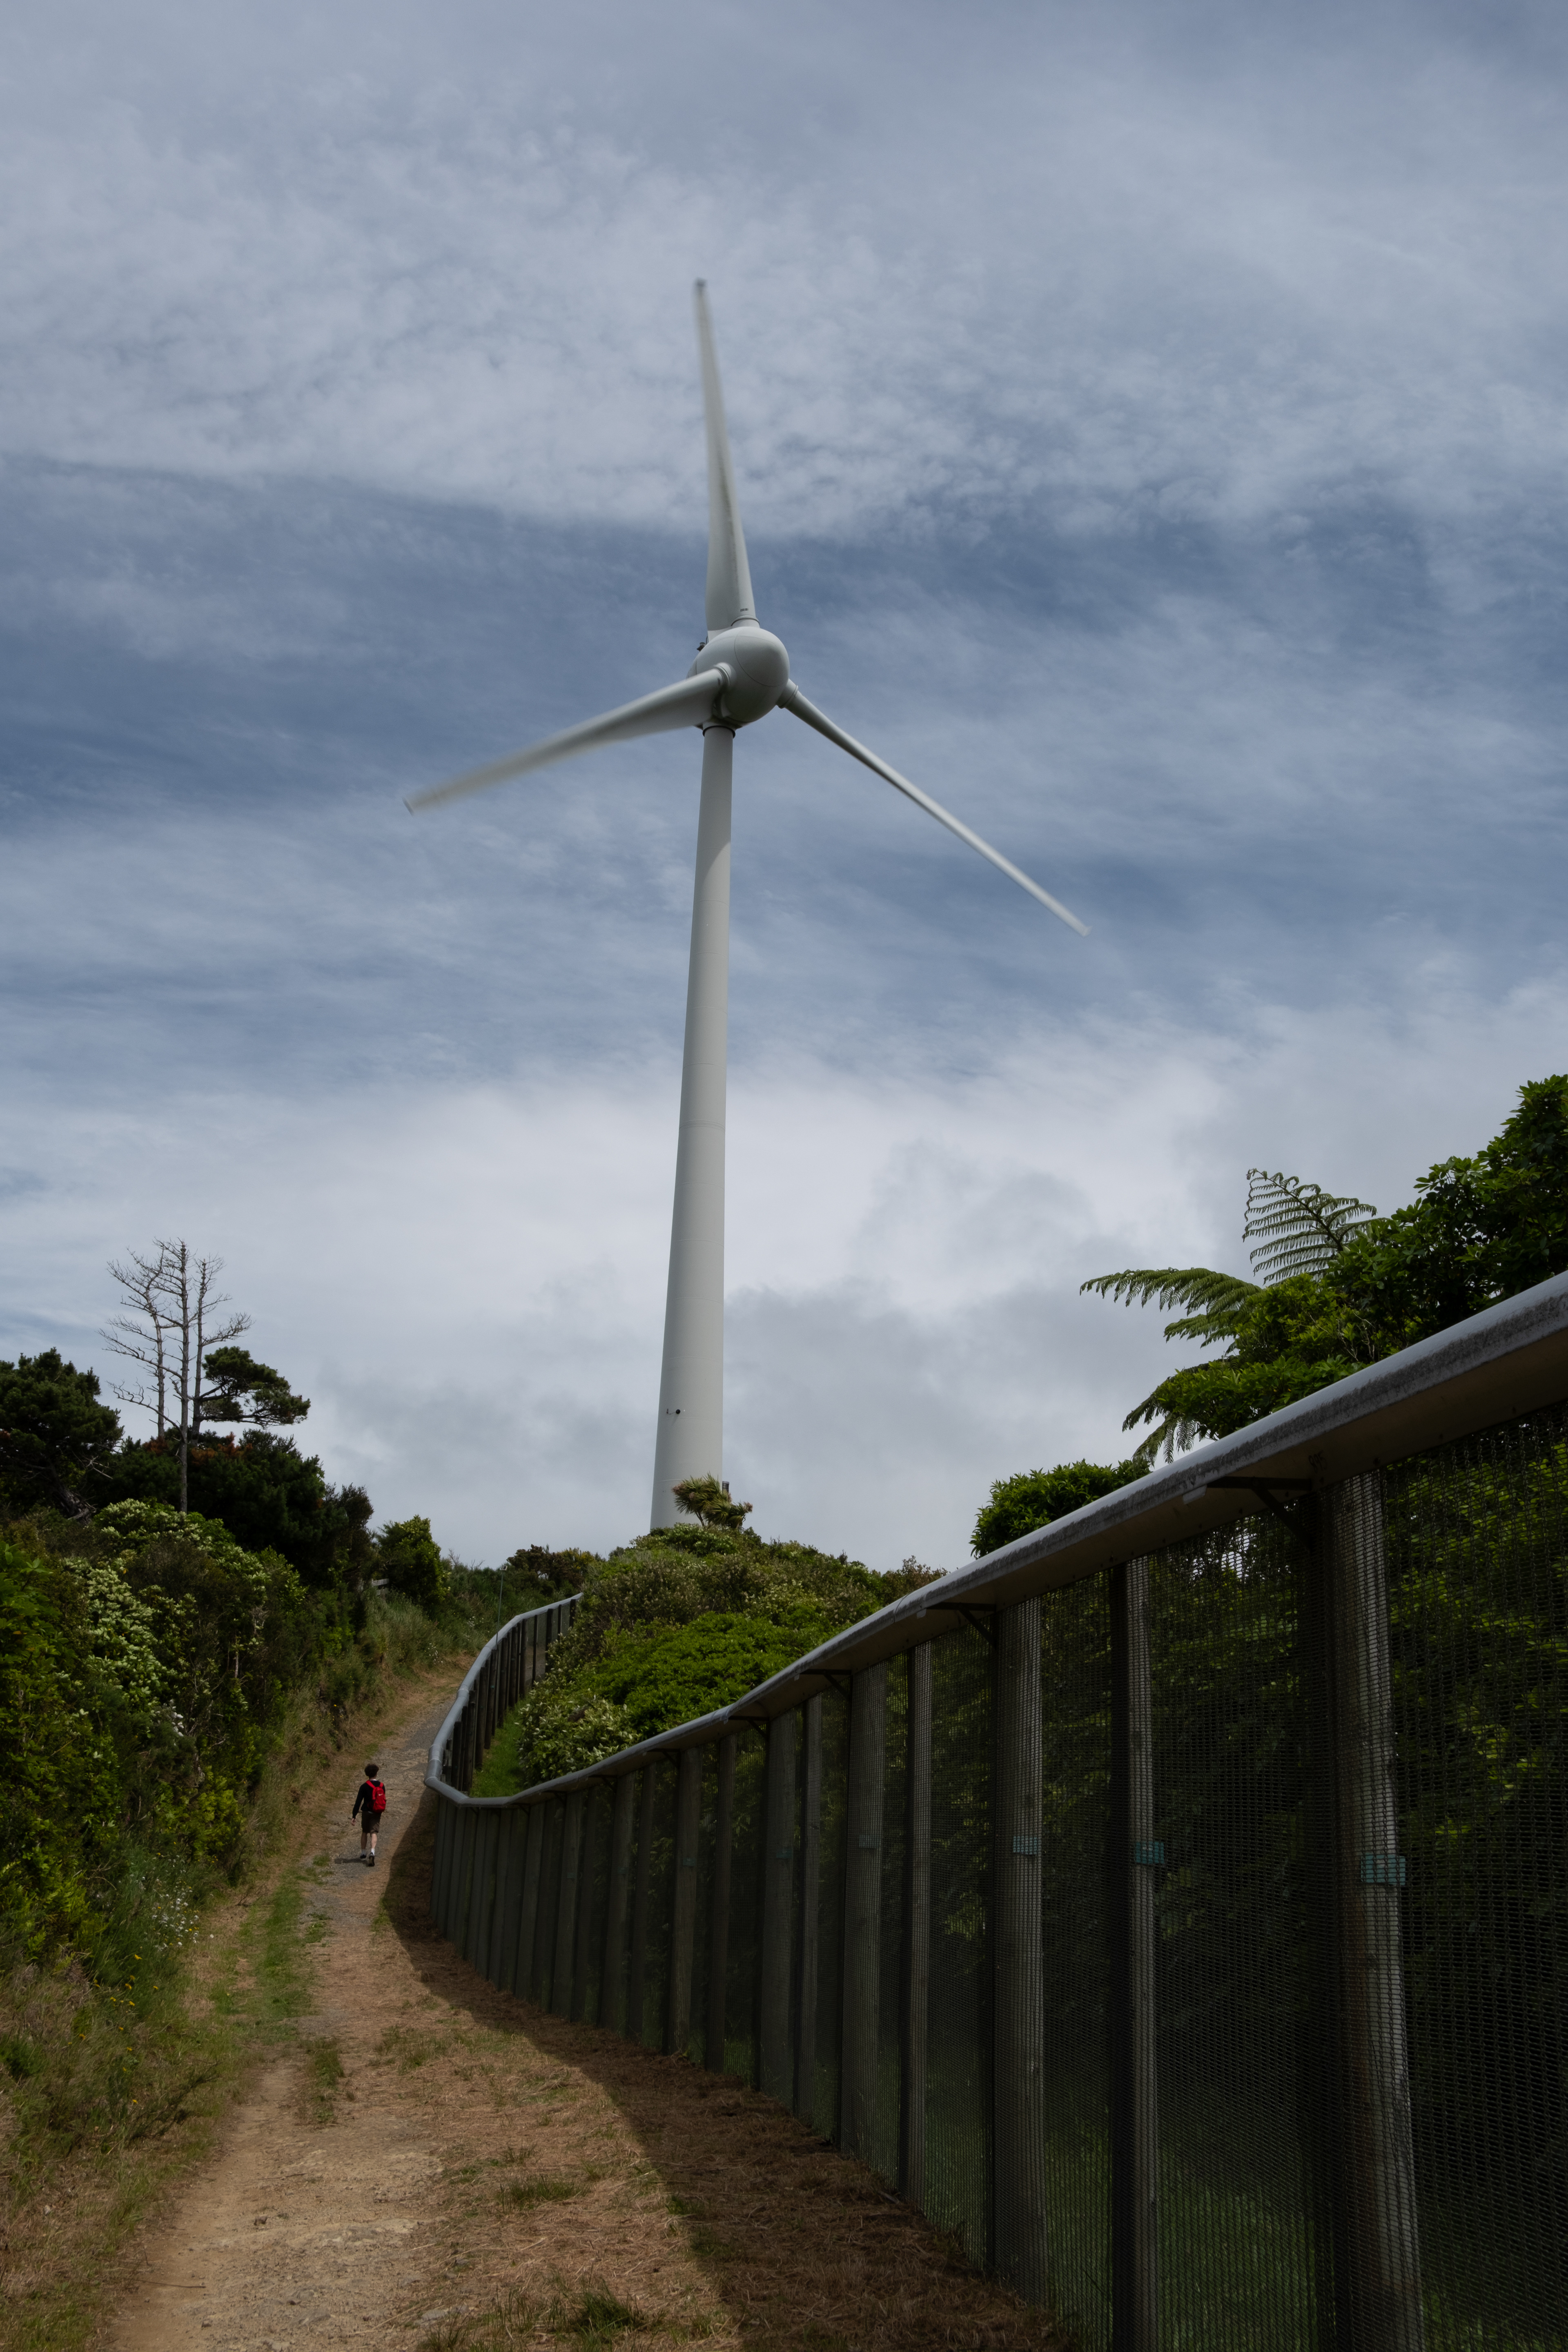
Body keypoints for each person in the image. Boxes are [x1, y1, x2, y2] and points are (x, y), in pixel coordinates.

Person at [352, 1763, 386, 1864]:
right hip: (377, 1812)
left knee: (365, 1832)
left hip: (366, 1812)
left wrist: (354, 1815)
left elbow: (358, 1802)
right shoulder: (381, 1785)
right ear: (376, 1774)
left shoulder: (364, 1786)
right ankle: (372, 1852)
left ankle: (363, 1853)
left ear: (367, 1774)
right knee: (374, 1832)